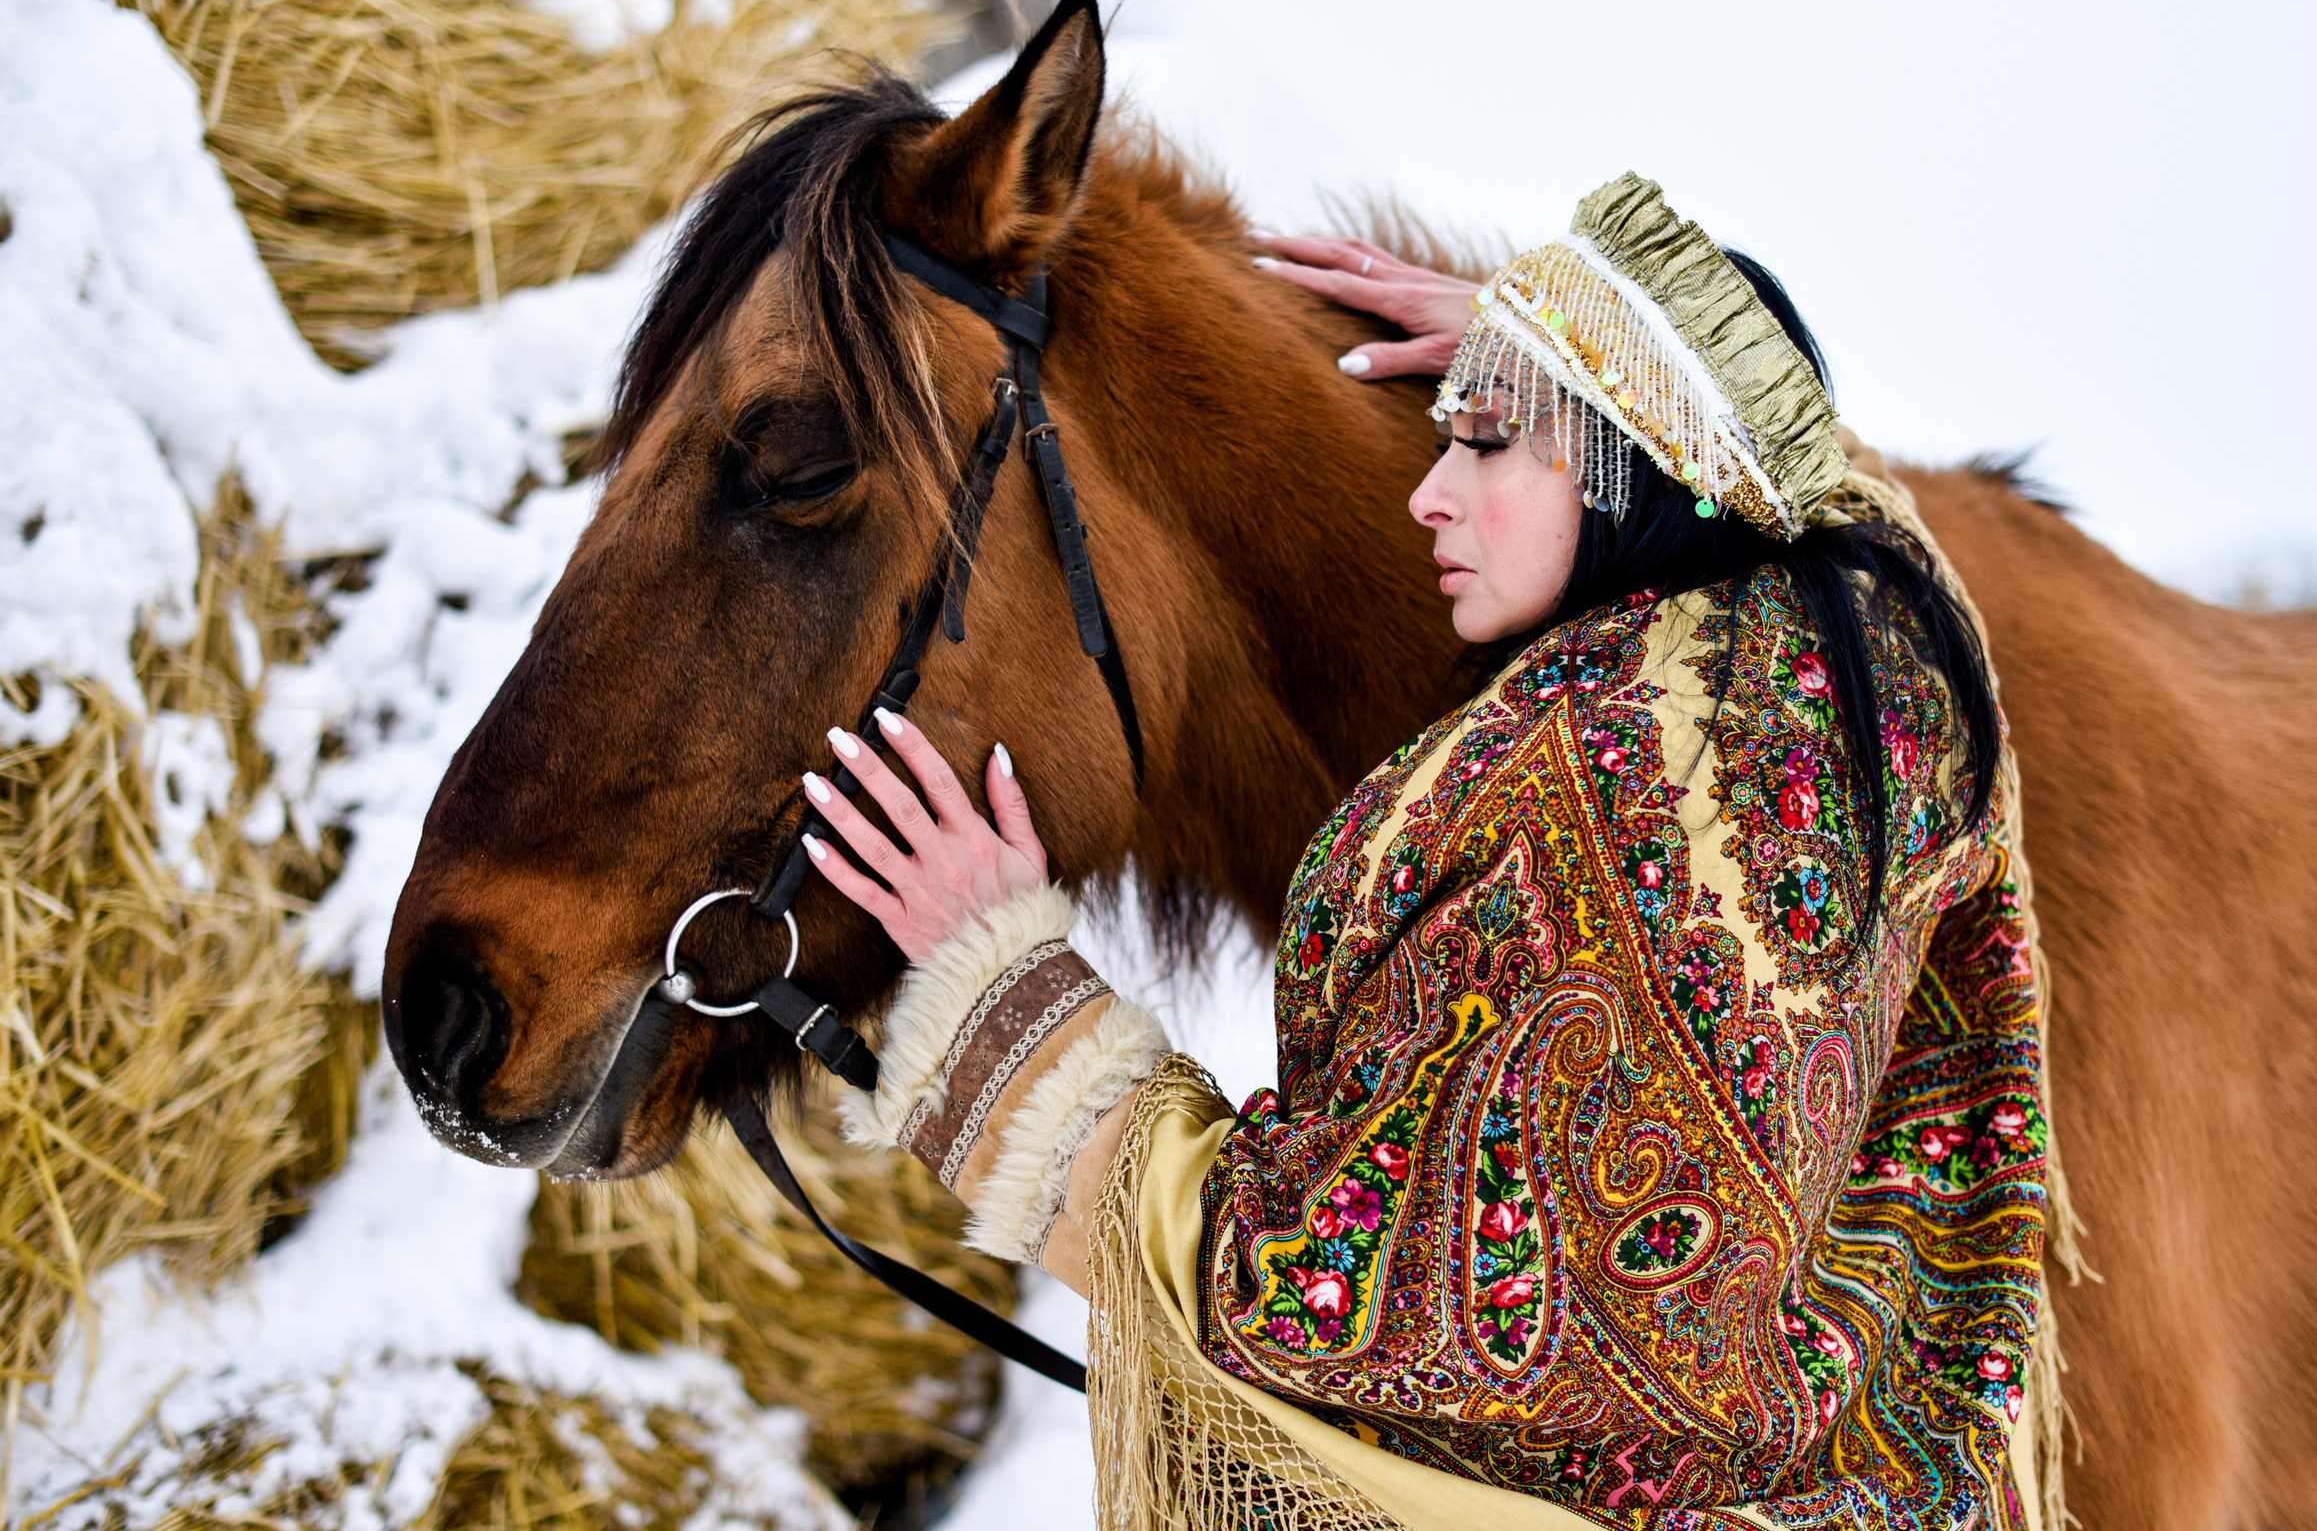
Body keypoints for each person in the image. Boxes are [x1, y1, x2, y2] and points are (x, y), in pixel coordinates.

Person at [790, 175, 2057, 1531]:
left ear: (1647, 452)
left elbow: (1331, 1301)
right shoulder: (1882, 674)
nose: (1428, 493)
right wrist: (1575, 351)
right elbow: (1830, 490)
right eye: (1447, 431)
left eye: (1493, 440)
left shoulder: (1583, 782)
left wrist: (1002, 991)